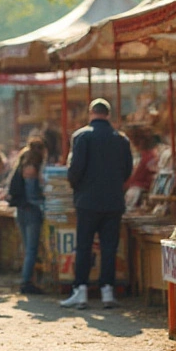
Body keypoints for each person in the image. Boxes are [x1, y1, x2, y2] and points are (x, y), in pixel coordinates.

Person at [61, 99, 132, 309]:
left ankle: (81, 290)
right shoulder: (121, 140)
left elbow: (75, 170)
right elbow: (127, 170)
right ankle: (107, 291)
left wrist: (78, 187)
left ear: (91, 113)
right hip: (113, 201)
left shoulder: (82, 137)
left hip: (87, 201)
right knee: (109, 247)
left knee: (84, 246)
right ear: (108, 115)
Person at [6, 137, 47, 294]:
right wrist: (43, 200)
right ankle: (26, 282)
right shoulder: (31, 168)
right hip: (31, 212)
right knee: (31, 249)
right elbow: (31, 196)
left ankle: (28, 279)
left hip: (21, 212)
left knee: (27, 248)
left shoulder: (21, 164)